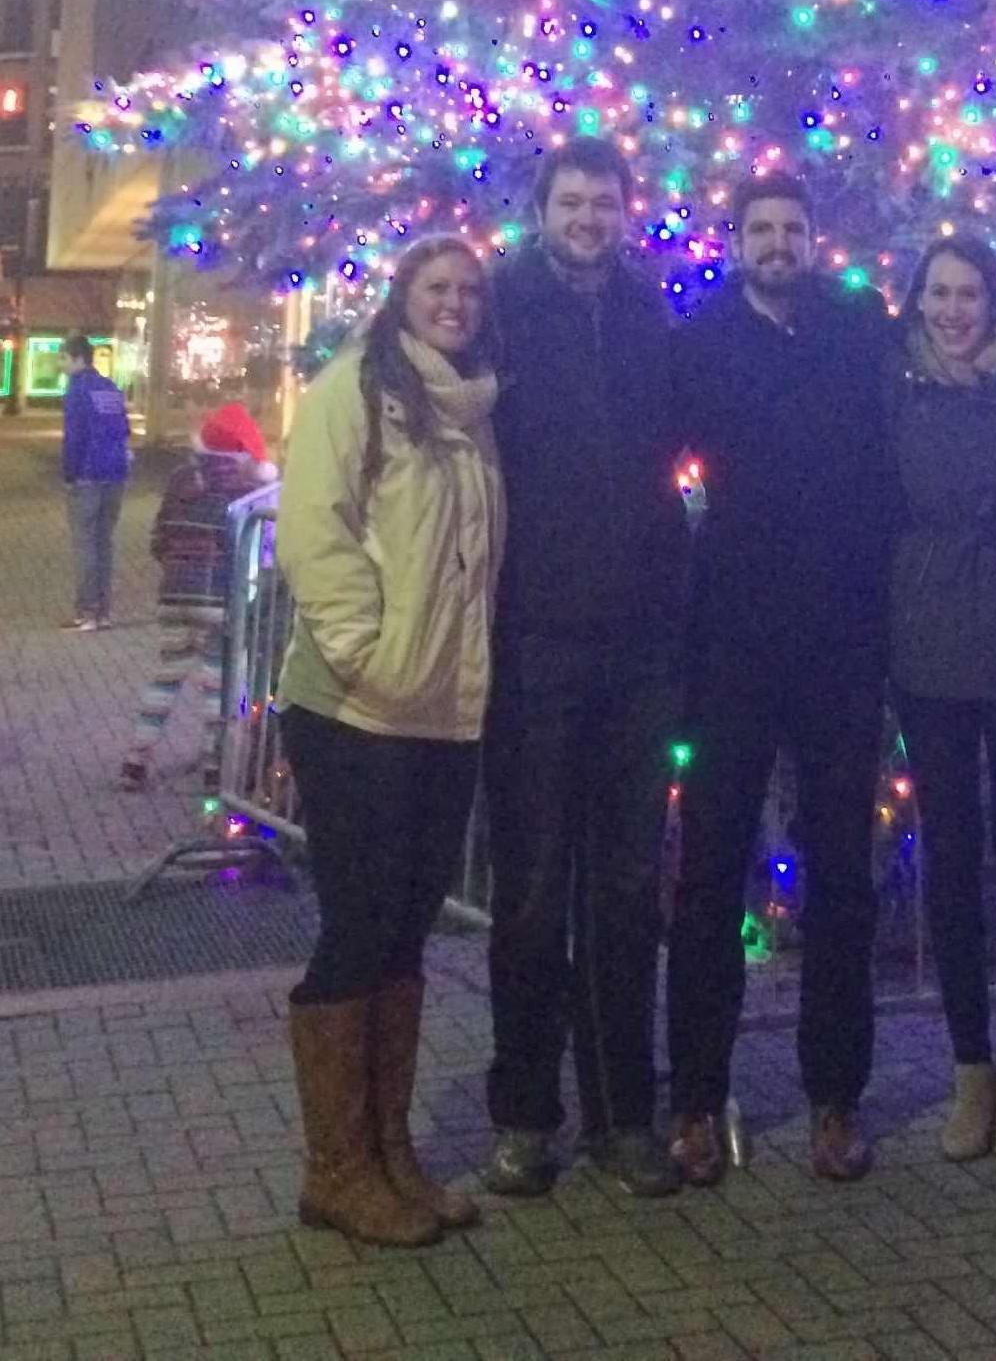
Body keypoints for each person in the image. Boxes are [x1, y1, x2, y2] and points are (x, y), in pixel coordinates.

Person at [667, 172, 895, 1186]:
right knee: (710, 871)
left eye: (789, 228)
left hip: (842, 643)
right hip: (731, 640)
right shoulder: (699, 339)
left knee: (842, 874)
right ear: (735, 241)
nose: (775, 243)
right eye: (757, 229)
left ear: (813, 239)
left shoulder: (856, 330)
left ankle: (834, 1096)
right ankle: (693, 1096)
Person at [276, 235, 504, 1246]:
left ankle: (389, 1152)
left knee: (405, 925)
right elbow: (314, 532)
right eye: (436, 287)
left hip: (443, 711)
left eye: (466, 289)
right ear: (403, 298)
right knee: (358, 924)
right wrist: (364, 652)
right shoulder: (352, 392)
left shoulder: (469, 410)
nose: (453, 302)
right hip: (356, 711)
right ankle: (336, 1168)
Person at [481, 138, 687, 1200]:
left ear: (623, 211)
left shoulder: (653, 316)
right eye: (570, 202)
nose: (588, 218)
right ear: (543, 208)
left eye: (603, 203)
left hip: (639, 643)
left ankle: (621, 1116)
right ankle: (523, 1112)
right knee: (526, 890)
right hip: (533, 644)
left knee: (621, 888)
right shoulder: (502, 307)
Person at [887, 235, 996, 1165]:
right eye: (937, 294)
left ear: (995, 301)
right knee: (950, 857)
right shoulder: (896, 388)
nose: (953, 310)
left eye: (969, 294)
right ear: (916, 304)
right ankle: (969, 1067)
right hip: (927, 645)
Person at [119, 402, 277, 794]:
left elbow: (160, 537)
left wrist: (176, 571)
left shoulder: (179, 480)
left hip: (174, 596)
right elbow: (262, 551)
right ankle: (212, 768)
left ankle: (135, 762)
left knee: (166, 677)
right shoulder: (250, 490)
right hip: (222, 602)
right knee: (217, 687)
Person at [60, 333, 130, 631]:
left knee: (85, 544)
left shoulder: (77, 391)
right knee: (104, 542)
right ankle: (103, 611)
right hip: (115, 475)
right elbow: (124, 429)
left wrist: (69, 474)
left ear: (78, 359)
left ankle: (86, 612)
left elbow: (74, 438)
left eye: (63, 358)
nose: (59, 364)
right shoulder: (110, 388)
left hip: (87, 476)